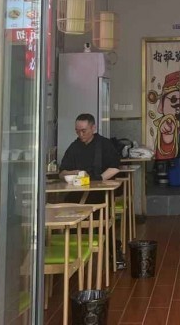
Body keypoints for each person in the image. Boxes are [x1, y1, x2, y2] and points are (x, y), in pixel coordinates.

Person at [59, 113, 126, 267]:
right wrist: (74, 173)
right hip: (77, 193)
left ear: (93, 128)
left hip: (100, 192)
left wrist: (99, 179)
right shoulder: (74, 147)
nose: (80, 134)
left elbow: (115, 167)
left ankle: (113, 252)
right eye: (77, 131)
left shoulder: (104, 144)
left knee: (103, 218)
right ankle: (74, 257)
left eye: (84, 131)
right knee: (70, 214)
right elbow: (62, 172)